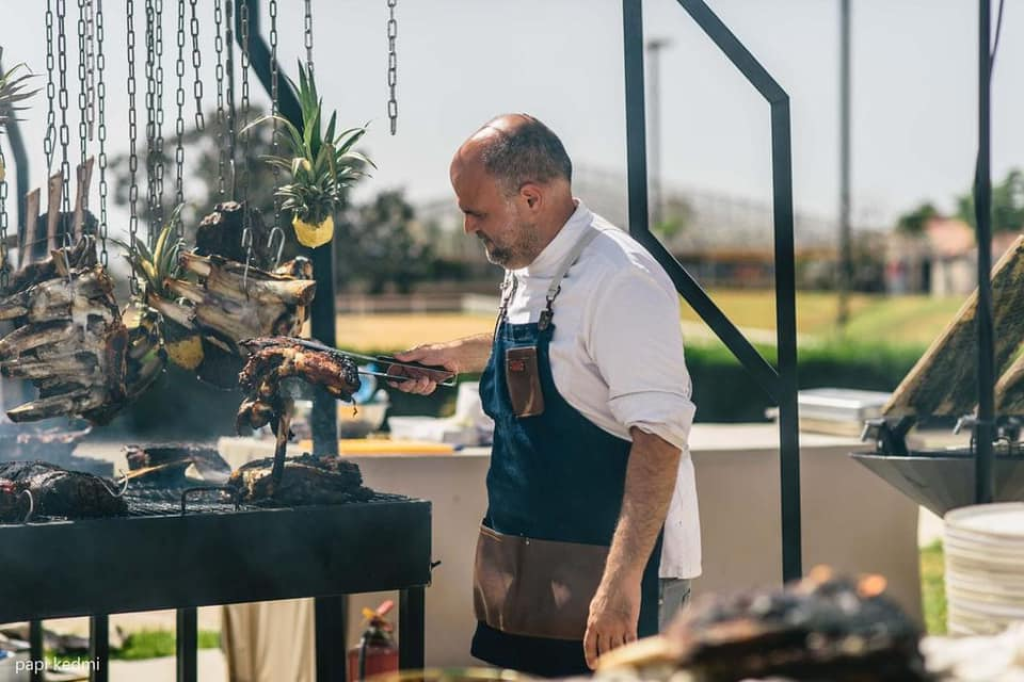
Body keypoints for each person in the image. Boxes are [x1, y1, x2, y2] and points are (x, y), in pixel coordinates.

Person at [389, 114, 700, 676]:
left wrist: (619, 584)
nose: (466, 227)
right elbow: (557, 349)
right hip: (527, 562)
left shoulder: (622, 280)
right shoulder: (528, 262)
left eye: (475, 212)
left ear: (531, 198)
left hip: (611, 576)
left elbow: (660, 438)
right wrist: (454, 356)